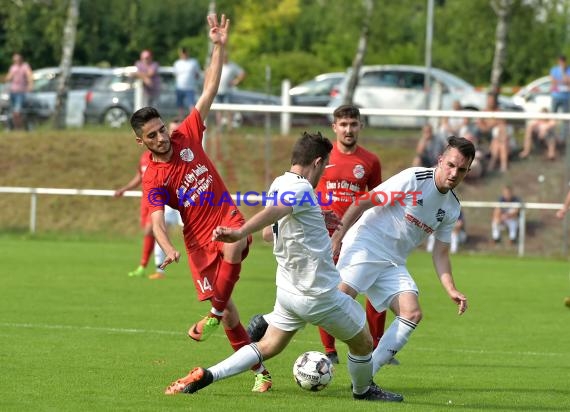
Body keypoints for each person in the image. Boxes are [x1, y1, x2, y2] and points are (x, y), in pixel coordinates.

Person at [164, 131, 403, 403]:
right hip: (318, 294)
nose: (323, 173)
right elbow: (276, 212)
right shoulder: (301, 189)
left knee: (268, 346)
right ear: (316, 162)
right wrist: (239, 232)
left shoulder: (281, 182)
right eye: (324, 166)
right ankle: (363, 391)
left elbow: (270, 232)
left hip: (289, 292)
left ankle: (206, 375)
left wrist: (315, 217)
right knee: (364, 343)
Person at [129, 13, 272, 392]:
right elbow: (157, 219)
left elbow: (208, 89)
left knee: (237, 240)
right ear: (140, 141)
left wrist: (218, 46)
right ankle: (260, 372)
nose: (162, 137)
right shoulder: (154, 177)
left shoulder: (187, 135)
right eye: (153, 135)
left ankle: (212, 312)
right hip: (196, 240)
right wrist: (166, 247)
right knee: (232, 318)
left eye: (162, 129)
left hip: (225, 219)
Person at [246, 105, 388, 365]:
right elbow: (297, 201)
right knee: (330, 293)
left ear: (360, 126)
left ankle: (374, 348)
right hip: (317, 237)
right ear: (335, 127)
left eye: (353, 124)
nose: (348, 129)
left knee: (363, 288)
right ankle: (333, 351)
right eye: (343, 124)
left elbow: (374, 199)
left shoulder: (370, 161)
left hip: (356, 237)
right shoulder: (318, 161)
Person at [330, 136, 472, 377]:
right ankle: (272, 323)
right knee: (335, 303)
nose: (454, 173)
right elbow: (364, 201)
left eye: (462, 169)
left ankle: (365, 377)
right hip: (366, 244)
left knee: (412, 313)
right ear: (440, 160)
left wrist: (451, 289)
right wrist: (337, 239)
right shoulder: (415, 179)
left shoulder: (451, 207)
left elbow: (441, 252)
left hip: (393, 262)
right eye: (450, 165)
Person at [115, 118, 183, 280]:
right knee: (157, 230)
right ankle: (157, 269)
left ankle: (145, 265)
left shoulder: (179, 152)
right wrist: (125, 189)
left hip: (180, 199)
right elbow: (140, 177)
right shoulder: (146, 158)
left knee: (188, 231)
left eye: (175, 130)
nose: (171, 133)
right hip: (153, 200)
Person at [215, 50, 245, 129]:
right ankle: (219, 127)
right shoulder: (218, 64)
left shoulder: (232, 66)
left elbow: (242, 73)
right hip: (217, 91)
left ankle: (229, 126)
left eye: (225, 56)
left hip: (227, 91)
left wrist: (236, 81)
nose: (224, 58)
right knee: (218, 109)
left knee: (228, 109)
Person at [5, 53, 33, 130]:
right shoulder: (13, 67)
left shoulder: (25, 66)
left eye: (17, 59)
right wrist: (9, 77)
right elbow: (8, 77)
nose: (16, 61)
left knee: (18, 111)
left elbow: (29, 76)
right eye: (14, 59)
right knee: (13, 111)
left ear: (21, 59)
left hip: (21, 92)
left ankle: (19, 128)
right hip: (12, 91)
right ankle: (16, 127)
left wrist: (30, 85)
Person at [173, 47, 202, 118]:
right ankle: (180, 120)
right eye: (183, 53)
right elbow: (175, 75)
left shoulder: (194, 62)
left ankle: (192, 120)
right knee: (180, 106)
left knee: (192, 105)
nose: (184, 54)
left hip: (190, 88)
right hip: (179, 88)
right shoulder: (177, 63)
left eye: (185, 52)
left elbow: (197, 74)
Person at [550, 55, 570, 142]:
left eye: (563, 61)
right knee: (553, 117)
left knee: (565, 119)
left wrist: (563, 73)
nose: (562, 63)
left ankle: (564, 138)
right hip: (556, 96)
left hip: (566, 97)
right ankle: (552, 136)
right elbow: (553, 82)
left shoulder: (568, 70)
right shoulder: (554, 70)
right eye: (560, 61)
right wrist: (564, 81)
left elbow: (568, 81)